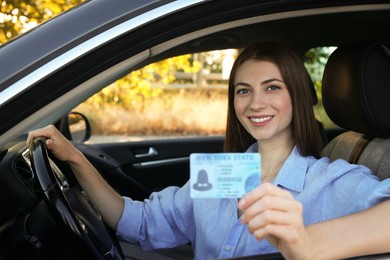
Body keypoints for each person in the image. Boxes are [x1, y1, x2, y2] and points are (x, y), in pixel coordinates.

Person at [27, 41, 390, 259]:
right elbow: (140, 222)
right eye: (243, 90)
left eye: (273, 88)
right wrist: (75, 159)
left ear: (298, 95)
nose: (255, 103)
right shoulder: (225, 172)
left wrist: (307, 242)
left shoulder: (329, 179)